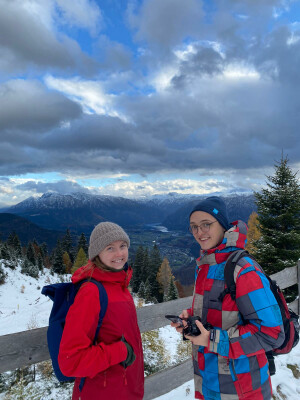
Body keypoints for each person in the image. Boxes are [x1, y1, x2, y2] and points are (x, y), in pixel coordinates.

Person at [171, 196, 284, 400]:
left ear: (223, 225)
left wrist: (211, 339)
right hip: (210, 384)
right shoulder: (207, 266)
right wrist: (193, 322)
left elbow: (271, 333)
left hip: (242, 390)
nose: (199, 232)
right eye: (194, 227)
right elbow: (220, 316)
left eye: (206, 224)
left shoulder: (243, 269)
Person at [58, 222, 144, 400]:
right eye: (110, 248)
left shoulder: (119, 285)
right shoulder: (91, 292)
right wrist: (120, 351)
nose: (119, 254)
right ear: (97, 254)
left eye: (122, 246)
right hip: (101, 392)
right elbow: (70, 361)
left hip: (127, 389)